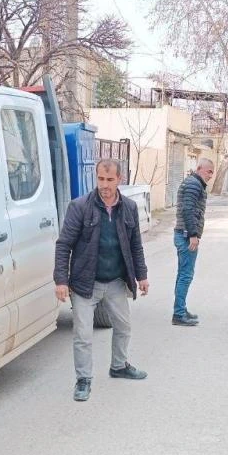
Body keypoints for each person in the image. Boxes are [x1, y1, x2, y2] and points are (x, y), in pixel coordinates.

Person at [54, 158, 149, 402]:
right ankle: (83, 379)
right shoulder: (80, 207)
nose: (104, 185)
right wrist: (61, 280)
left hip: (116, 281)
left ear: (120, 179)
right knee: (83, 335)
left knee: (124, 327)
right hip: (86, 283)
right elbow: (64, 245)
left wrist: (142, 276)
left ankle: (118, 366)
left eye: (109, 179)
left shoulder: (128, 207)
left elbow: (135, 245)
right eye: (100, 179)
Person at [171, 158, 215, 326]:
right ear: (198, 168)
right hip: (185, 235)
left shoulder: (194, 183)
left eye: (212, 172)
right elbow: (187, 210)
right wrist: (193, 235)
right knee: (185, 275)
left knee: (183, 274)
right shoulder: (193, 184)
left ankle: (180, 308)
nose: (210, 175)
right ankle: (179, 314)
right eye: (208, 171)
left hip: (184, 234)